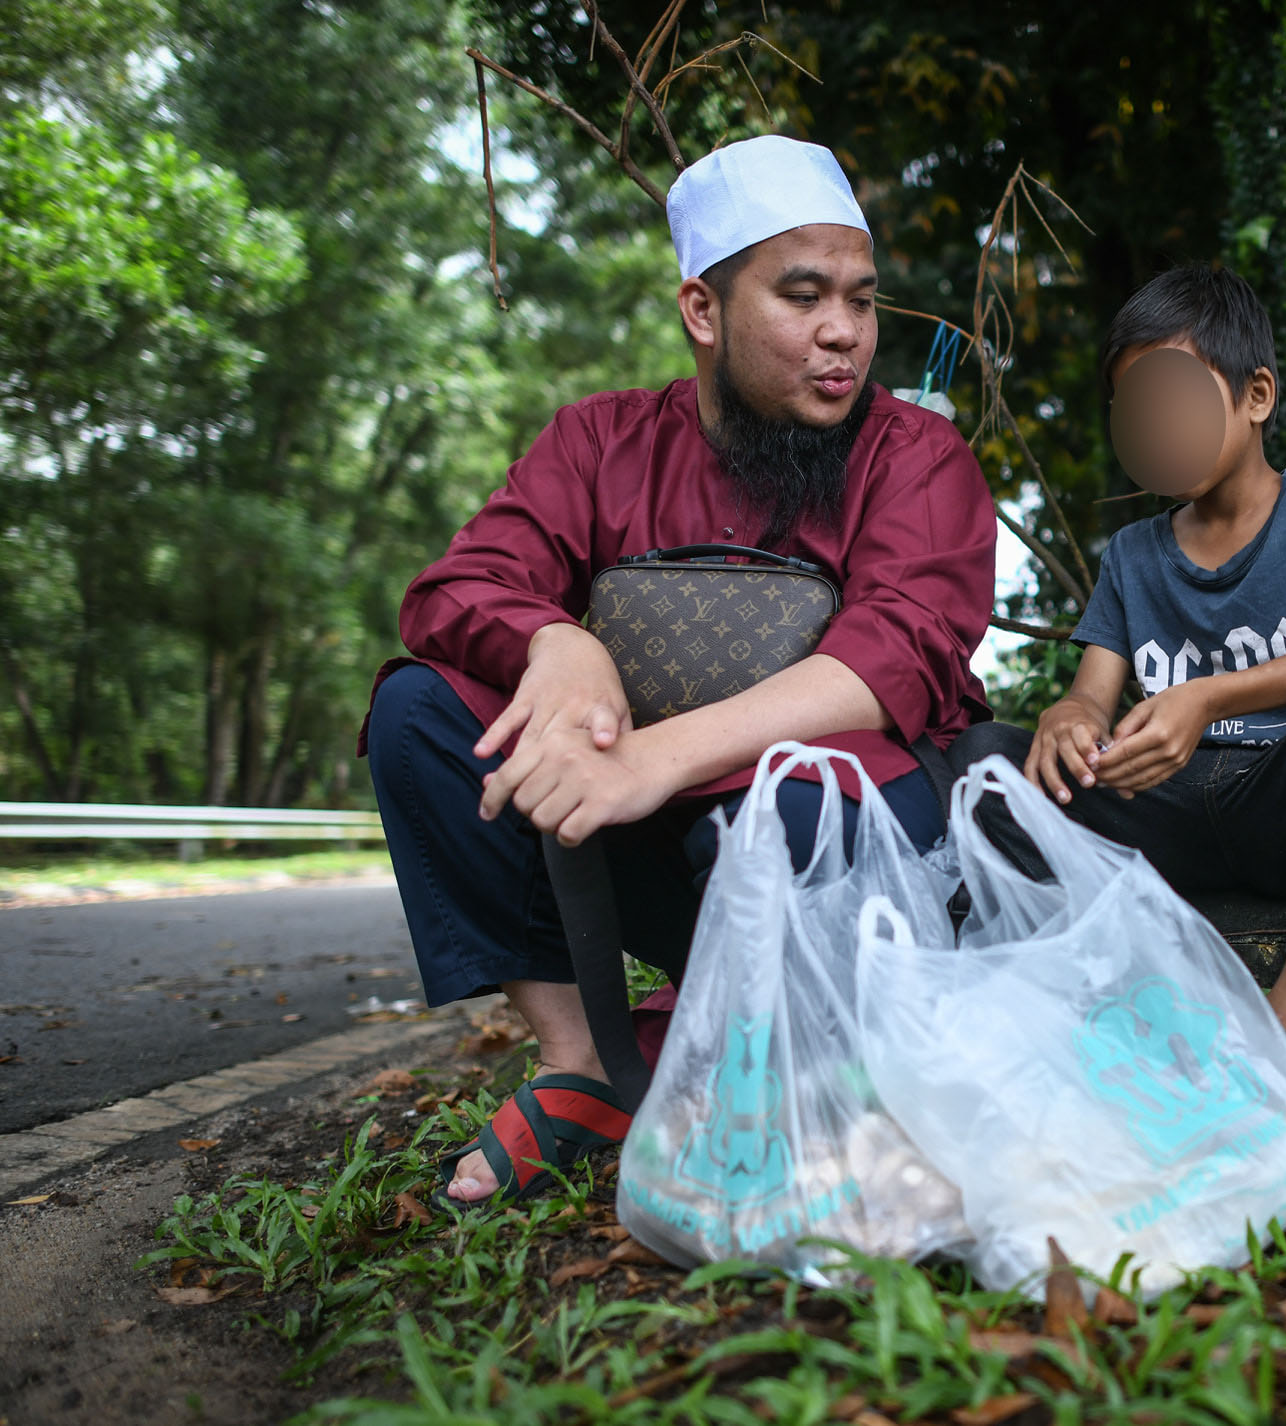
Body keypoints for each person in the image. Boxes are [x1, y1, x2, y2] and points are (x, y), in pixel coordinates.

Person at [363, 135, 996, 1207]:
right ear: (701, 310)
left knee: (821, 785)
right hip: (632, 849)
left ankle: (729, 1060)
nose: (843, 333)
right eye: (801, 296)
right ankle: (586, 1061)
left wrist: (652, 757)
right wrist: (558, 645)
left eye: (859, 298)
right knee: (418, 712)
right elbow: (454, 588)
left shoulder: (914, 456)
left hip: (833, 852)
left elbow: (903, 640)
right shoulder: (597, 442)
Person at [951, 264, 1286, 1132]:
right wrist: (1069, 720)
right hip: (1160, 818)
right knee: (983, 758)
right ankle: (1073, 987)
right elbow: (1091, 695)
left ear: (1253, 395)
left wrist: (1206, 697)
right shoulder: (1133, 553)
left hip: (1285, 812)